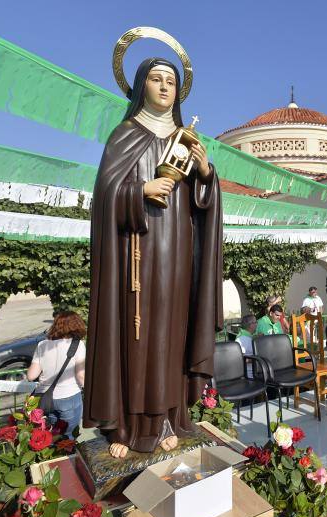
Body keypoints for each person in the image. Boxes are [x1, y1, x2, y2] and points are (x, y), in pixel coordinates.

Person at [84, 54, 223, 458]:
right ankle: (126, 426)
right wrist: (138, 191)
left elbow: (205, 206)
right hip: (136, 253)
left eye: (171, 81)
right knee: (135, 334)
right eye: (157, 79)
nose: (165, 87)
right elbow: (104, 196)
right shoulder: (125, 133)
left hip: (178, 253)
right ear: (141, 84)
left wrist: (205, 174)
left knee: (171, 332)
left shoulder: (186, 138)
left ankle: (168, 418)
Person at [27, 312, 86, 437]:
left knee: (52, 435)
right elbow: (81, 376)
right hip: (69, 396)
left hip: (46, 399)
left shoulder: (42, 345)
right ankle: (68, 456)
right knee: (68, 436)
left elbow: (31, 376)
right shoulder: (78, 345)